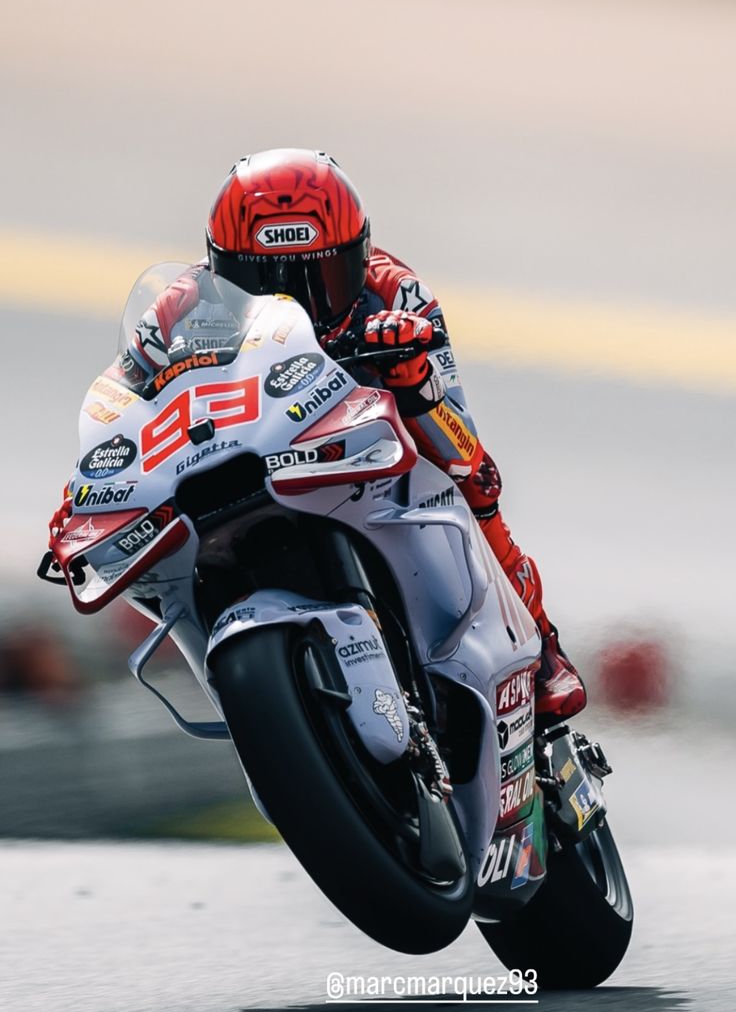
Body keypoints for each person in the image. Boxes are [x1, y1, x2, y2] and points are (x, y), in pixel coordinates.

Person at [49, 148, 585, 722]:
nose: (293, 302)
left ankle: (542, 643)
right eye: (261, 283)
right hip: (246, 445)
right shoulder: (178, 309)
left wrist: (414, 380)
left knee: (476, 476)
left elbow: (457, 427)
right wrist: (93, 487)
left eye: (317, 279)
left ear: (358, 259)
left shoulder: (396, 291)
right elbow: (125, 396)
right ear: (219, 269)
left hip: (359, 446)